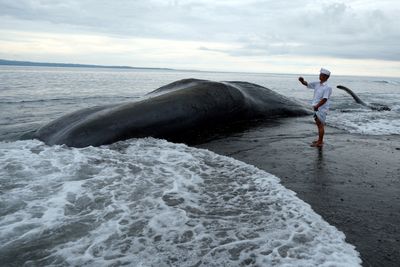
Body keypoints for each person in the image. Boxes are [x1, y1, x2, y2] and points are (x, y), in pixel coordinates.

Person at [298, 68, 332, 148]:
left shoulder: (327, 87)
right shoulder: (317, 84)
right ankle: (320, 140)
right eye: (320, 74)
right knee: (318, 124)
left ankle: (320, 142)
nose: (319, 76)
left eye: (321, 75)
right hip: (317, 107)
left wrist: (317, 106)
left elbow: (325, 99)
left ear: (326, 77)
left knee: (320, 125)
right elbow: (307, 84)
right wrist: (302, 81)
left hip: (321, 108)